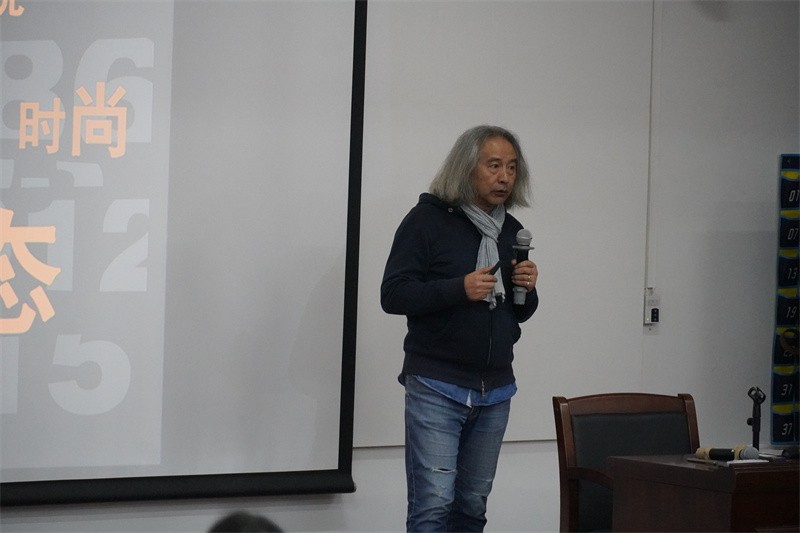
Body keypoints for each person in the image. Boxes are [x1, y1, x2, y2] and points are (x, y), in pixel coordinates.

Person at [381, 125, 539, 532]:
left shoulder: (510, 231)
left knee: (472, 507)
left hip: (495, 390)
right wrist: (459, 289)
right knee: (433, 507)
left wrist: (527, 289)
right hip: (437, 384)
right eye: (494, 166)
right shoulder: (426, 221)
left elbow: (516, 314)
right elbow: (393, 294)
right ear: (466, 169)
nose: (505, 177)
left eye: (512, 168)